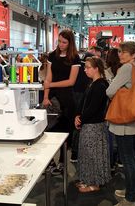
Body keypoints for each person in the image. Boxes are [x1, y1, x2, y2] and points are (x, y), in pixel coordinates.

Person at [106, 42, 135, 206]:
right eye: (120, 51)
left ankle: (130, 199)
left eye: (125, 52)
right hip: (131, 118)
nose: (121, 54)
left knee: (127, 158)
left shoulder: (127, 68)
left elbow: (109, 91)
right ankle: (133, 191)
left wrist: (115, 86)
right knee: (131, 158)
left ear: (133, 54)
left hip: (124, 120)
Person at [43, 29, 80, 175]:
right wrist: (46, 97)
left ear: (70, 43)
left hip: (66, 100)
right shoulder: (53, 55)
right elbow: (48, 77)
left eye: (64, 42)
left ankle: (63, 163)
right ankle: (50, 161)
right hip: (52, 98)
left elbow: (71, 82)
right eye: (59, 41)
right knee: (48, 132)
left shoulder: (75, 58)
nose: (61, 44)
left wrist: (50, 86)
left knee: (64, 134)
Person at [75, 56, 111, 192]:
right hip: (88, 123)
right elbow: (84, 102)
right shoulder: (92, 83)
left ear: (96, 69)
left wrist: (81, 118)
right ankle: (87, 179)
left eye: (88, 67)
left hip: (95, 125)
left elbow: (93, 108)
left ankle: (94, 183)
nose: (85, 70)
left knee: (93, 154)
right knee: (87, 153)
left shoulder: (101, 85)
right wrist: (78, 116)